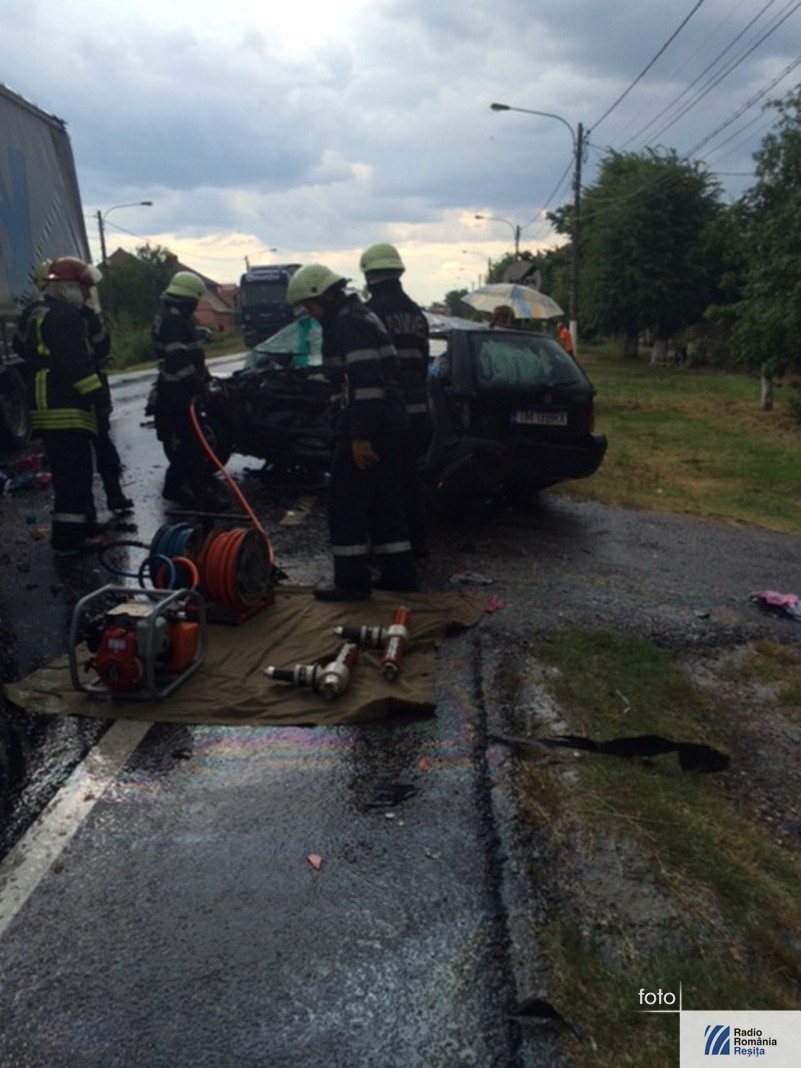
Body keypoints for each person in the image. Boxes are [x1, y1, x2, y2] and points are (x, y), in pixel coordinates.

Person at [285, 263, 416, 601]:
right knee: (385, 502)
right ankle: (399, 575)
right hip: (388, 422)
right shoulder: (356, 316)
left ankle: (351, 583)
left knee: (345, 504)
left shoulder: (348, 323)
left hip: (368, 424)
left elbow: (367, 383)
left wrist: (360, 437)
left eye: (310, 306)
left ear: (326, 296)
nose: (309, 313)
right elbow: (353, 376)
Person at [19, 256, 107, 556]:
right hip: (65, 404)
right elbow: (77, 366)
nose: (85, 294)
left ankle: (85, 526)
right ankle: (69, 539)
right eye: (82, 288)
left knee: (72, 471)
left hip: (45, 401)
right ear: (66, 286)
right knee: (74, 475)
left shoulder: (34, 312)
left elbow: (20, 346)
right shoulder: (65, 317)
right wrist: (98, 398)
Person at [359, 242, 431, 559]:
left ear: (368, 275)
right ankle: (418, 545)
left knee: (383, 486)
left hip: (387, 412)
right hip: (419, 412)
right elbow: (422, 363)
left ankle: (391, 554)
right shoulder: (416, 313)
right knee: (409, 480)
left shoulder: (370, 314)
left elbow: (369, 371)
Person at [151, 270, 229, 510]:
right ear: (186, 300)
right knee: (192, 445)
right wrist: (198, 386)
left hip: (179, 390)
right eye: (194, 301)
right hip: (177, 393)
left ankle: (182, 488)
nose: (196, 306)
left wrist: (206, 379)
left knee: (192, 444)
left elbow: (192, 356)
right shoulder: (173, 321)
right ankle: (191, 493)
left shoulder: (173, 318)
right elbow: (178, 360)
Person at [79, 288, 134, 513]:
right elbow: (102, 346)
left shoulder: (41, 314)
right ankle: (112, 495)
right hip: (90, 386)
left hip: (64, 393)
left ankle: (92, 507)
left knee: (84, 451)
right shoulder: (85, 315)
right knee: (101, 443)